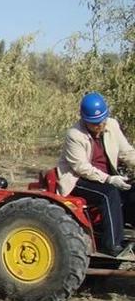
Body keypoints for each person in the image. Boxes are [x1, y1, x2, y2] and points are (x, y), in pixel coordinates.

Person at [57, 92, 135, 257]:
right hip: (78, 179)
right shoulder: (74, 135)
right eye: (95, 123)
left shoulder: (112, 125)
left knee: (131, 190)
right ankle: (112, 245)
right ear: (85, 120)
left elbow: (126, 152)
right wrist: (109, 179)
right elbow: (81, 167)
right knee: (109, 193)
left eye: (102, 121)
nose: (100, 126)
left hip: (105, 176)